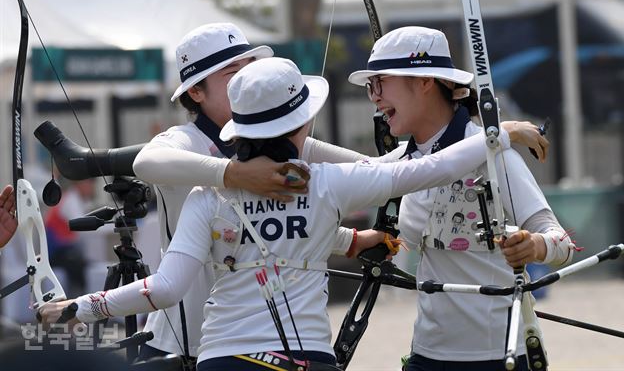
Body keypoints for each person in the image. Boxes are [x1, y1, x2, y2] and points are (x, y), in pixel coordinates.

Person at [39, 56, 531, 370]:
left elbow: (164, 289)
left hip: (223, 360)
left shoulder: (207, 197)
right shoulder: (327, 183)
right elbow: (429, 168)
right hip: (304, 359)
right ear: (304, 119)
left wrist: (79, 307)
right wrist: (501, 134)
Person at [129, 23, 386, 363]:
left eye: (250, 69)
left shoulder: (285, 140)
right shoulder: (185, 139)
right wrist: (234, 173)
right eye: (232, 74)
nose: (246, 80)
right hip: (180, 338)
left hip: (248, 340)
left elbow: (373, 169)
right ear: (196, 93)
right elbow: (146, 162)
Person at [347, 26, 575, 370]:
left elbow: (562, 242)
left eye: (380, 82)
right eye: (370, 87)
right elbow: (336, 170)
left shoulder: (494, 153)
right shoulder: (405, 164)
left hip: (500, 356)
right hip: (427, 356)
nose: (374, 97)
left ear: (424, 81)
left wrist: (535, 246)